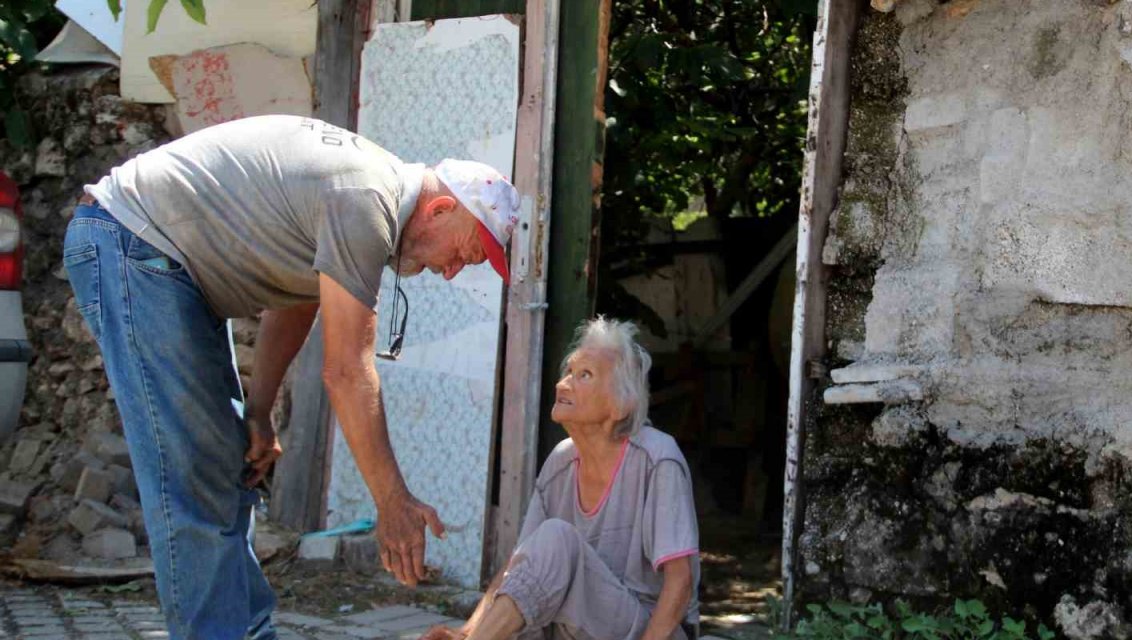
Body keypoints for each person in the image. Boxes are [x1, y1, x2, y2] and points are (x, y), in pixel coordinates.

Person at [61, 114, 520, 640]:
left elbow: (294, 300)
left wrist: (258, 411)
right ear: (440, 209)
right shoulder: (365, 200)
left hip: (160, 262)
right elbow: (347, 371)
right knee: (194, 477)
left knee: (228, 467)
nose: (452, 271)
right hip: (131, 242)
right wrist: (392, 501)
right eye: (464, 253)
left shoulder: (367, 197)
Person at [423, 317, 700, 640]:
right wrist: (466, 630)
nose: (563, 384)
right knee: (524, 603)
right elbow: (519, 568)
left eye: (585, 375)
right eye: (568, 372)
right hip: (574, 627)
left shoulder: (657, 458)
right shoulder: (560, 462)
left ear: (621, 405)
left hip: (648, 630)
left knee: (557, 538)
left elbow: (680, 582)